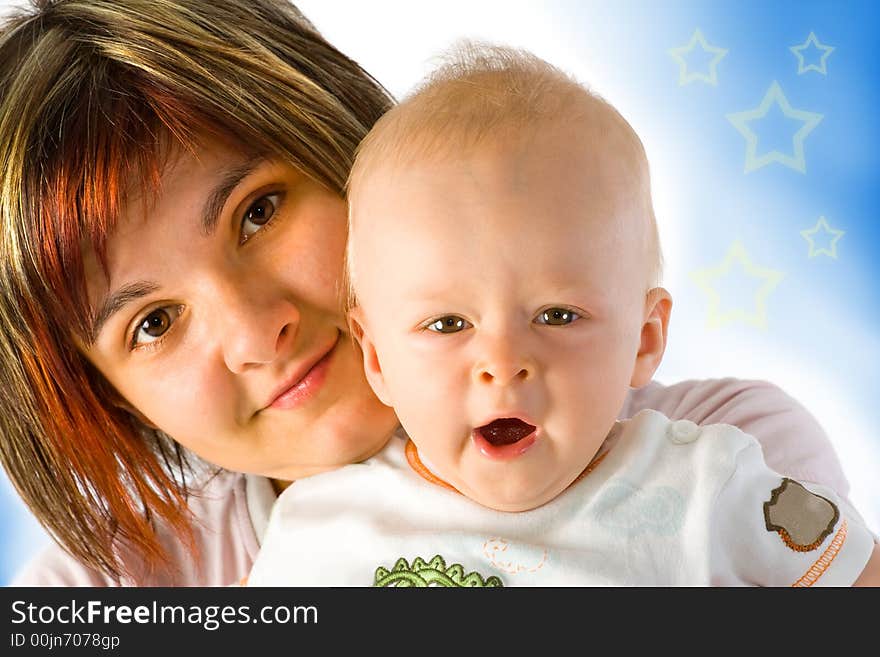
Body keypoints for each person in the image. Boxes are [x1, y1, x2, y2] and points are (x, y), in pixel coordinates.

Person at [0, 1, 856, 587]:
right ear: (103, 395)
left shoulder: (726, 460)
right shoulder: (111, 590)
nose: (259, 330)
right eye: (153, 323)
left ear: (347, 146)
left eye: (258, 212)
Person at [246, 44, 879, 586]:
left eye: (556, 316)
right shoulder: (315, 531)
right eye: (447, 325)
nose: (502, 364)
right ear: (377, 356)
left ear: (644, 337)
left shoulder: (715, 488)